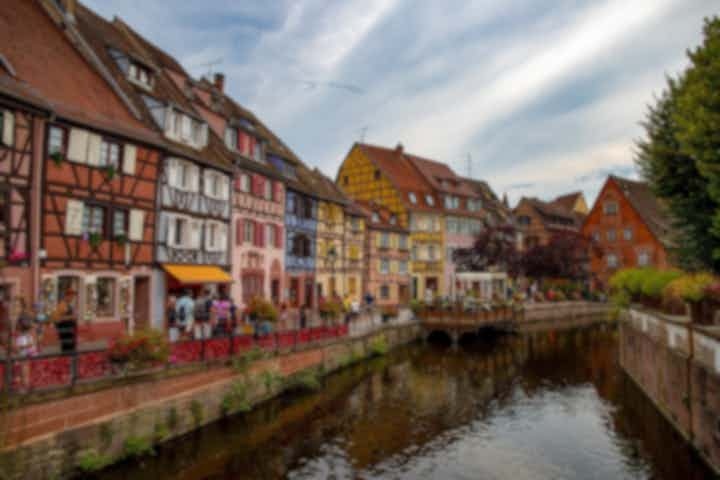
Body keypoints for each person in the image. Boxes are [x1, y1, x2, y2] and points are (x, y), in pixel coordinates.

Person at [14, 310, 37, 391]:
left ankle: (25, 385)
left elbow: (30, 344)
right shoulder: (22, 333)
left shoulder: (27, 332)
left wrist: (23, 346)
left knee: (24, 368)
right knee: (23, 368)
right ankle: (25, 385)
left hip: (25, 350)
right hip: (24, 350)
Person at [52, 288, 77, 353]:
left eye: (73, 297)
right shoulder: (62, 305)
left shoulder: (69, 305)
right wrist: (70, 317)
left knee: (71, 349)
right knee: (67, 350)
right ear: (67, 296)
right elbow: (56, 318)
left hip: (70, 332)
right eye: (71, 296)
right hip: (65, 332)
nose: (72, 298)